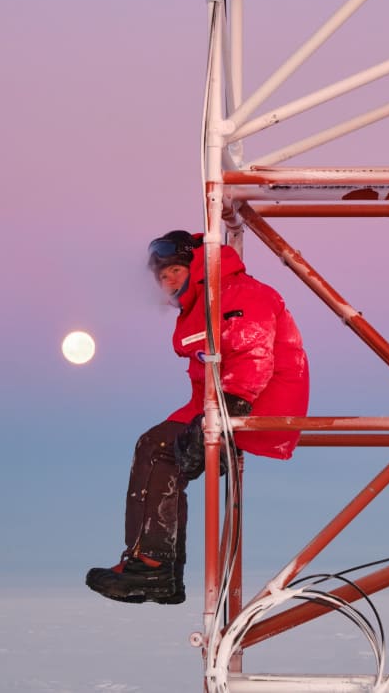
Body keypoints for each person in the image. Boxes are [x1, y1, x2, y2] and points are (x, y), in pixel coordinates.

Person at [86, 230, 310, 604]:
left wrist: (226, 416)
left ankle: (154, 567)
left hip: (256, 402)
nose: (168, 281)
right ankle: (158, 568)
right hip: (220, 401)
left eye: (174, 270)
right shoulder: (206, 302)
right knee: (156, 446)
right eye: (161, 276)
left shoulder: (237, 293)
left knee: (160, 449)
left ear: (196, 265)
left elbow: (254, 353)